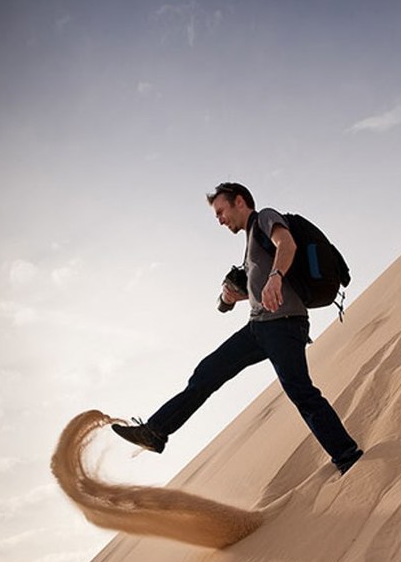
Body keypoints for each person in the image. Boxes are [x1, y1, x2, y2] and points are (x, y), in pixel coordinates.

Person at [112, 182, 364, 476]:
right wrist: (237, 295)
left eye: (221, 211)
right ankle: (155, 432)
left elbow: (288, 244)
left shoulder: (265, 218)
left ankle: (347, 456)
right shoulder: (251, 244)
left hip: (284, 326)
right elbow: (261, 287)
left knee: (301, 392)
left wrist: (275, 276)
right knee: (206, 373)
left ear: (239, 202)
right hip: (258, 328)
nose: (219, 219)